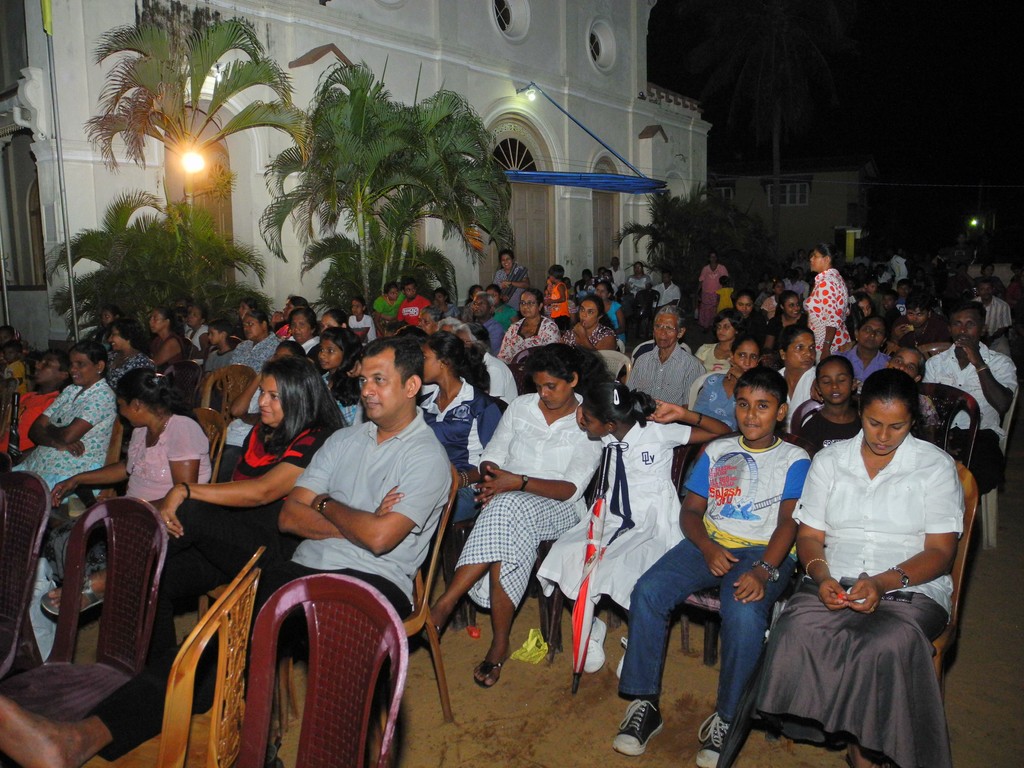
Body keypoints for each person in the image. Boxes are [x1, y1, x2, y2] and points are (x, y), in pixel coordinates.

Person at [755, 368, 964, 768]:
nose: (883, 436)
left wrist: (883, 583)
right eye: (873, 422)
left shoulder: (934, 466)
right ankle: (852, 734)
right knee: (795, 626)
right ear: (860, 411)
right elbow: (810, 536)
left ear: (913, 421)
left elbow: (941, 551)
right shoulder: (831, 461)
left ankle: (864, 750)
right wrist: (822, 577)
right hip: (837, 576)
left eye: (896, 426)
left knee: (883, 644)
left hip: (910, 584)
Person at [612, 367, 810, 764]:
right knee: (648, 590)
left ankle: (728, 716)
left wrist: (764, 570)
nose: (751, 415)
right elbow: (691, 511)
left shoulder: (794, 457)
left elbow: (789, 523)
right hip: (710, 541)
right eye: (743, 404)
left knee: (743, 608)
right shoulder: (719, 449)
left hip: (764, 551)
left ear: (781, 411)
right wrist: (705, 547)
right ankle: (644, 703)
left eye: (763, 406)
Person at [429, 344, 608, 688]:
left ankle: (445, 604)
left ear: (573, 380)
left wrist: (518, 482)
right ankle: (499, 642)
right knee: (508, 521)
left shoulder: (588, 417)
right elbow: (492, 454)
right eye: (538, 386)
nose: (543, 394)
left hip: (561, 508)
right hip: (508, 499)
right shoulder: (522, 407)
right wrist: (494, 476)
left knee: (507, 508)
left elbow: (571, 488)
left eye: (551, 386)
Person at [538, 384, 729, 670]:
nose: (582, 422)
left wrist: (683, 414)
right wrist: (583, 410)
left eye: (587, 418)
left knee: (628, 568)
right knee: (567, 553)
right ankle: (592, 625)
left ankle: (639, 636)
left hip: (651, 521)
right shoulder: (604, 433)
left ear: (610, 424)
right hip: (610, 516)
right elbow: (588, 404)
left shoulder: (658, 432)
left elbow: (722, 432)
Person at [40, 370, 212, 631]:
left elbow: (185, 494)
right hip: (133, 513)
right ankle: (87, 603)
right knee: (64, 536)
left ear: (137, 404)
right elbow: (128, 468)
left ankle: (98, 589)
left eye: (121, 405)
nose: (119, 411)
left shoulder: (182, 429)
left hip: (168, 519)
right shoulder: (142, 430)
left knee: (96, 543)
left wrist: (128, 511)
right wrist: (78, 479)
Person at [923, 302, 1017, 494]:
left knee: (980, 473)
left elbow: (1002, 404)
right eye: (957, 324)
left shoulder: (1000, 363)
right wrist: (938, 441)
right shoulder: (935, 364)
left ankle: (959, 509)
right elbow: (927, 409)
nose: (963, 330)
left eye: (970, 324)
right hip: (942, 432)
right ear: (949, 329)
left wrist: (979, 363)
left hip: (981, 435)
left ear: (982, 329)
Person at [420, 331, 503, 523]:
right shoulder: (424, 404)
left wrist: (460, 479)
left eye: (425, 358)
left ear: (443, 362)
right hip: (427, 481)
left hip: (466, 487)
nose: (419, 364)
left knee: (418, 511)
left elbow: (496, 461)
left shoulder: (480, 405)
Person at [17, 340, 117, 493]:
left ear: (99, 366)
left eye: (80, 364)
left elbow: (68, 436)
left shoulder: (103, 396)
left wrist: (49, 427)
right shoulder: (71, 390)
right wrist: (55, 442)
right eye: (71, 364)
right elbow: (34, 429)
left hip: (71, 471)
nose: (73, 369)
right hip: (42, 464)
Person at [627, 306, 704, 407]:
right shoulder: (642, 360)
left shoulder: (691, 366)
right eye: (658, 326)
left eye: (669, 328)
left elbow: (688, 407)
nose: (662, 333)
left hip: (672, 417)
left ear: (680, 332)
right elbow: (630, 395)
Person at [0, 349, 70, 455]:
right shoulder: (27, 397)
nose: (37, 366)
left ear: (63, 375)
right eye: (39, 362)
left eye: (47, 364)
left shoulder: (55, 403)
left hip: (16, 458)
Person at [691, 335, 761, 430]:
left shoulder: (759, 390)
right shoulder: (713, 381)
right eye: (742, 355)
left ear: (758, 362)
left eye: (753, 357)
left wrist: (743, 379)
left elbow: (746, 424)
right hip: (703, 433)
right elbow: (697, 413)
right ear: (731, 356)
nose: (747, 362)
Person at [794, 355, 861, 450]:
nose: (834, 386)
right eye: (826, 382)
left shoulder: (864, 422)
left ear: (853, 384)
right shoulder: (812, 428)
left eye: (841, 380)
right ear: (818, 388)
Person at [805, 244, 851, 360]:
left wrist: (826, 349)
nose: (811, 259)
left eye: (815, 256)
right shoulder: (835, 278)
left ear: (826, 259)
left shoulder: (826, 282)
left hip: (828, 345)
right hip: (835, 341)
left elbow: (832, 319)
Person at [497, 288, 561, 363]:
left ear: (540, 306)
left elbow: (552, 359)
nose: (525, 306)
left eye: (531, 303)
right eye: (522, 303)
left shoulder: (549, 328)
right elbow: (503, 357)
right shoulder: (514, 328)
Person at [318, 326, 364, 427]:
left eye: (330, 351)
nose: (322, 355)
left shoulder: (356, 383)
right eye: (321, 349)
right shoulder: (320, 381)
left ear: (346, 353)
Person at [778, 326, 817, 430]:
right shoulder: (774, 380)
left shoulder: (819, 380)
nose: (808, 353)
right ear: (783, 354)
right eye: (800, 347)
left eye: (812, 347)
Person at [105, 318, 155, 389]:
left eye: (113, 334)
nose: (109, 339)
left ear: (127, 335)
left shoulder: (141, 362)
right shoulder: (111, 355)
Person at [840, 315, 889, 383]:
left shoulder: (888, 365)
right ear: (856, 334)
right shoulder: (839, 359)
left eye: (878, 332)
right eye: (868, 330)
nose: (872, 335)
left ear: (883, 340)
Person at [695, 309, 744, 374]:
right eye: (719, 326)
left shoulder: (741, 354)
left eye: (726, 327)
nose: (720, 330)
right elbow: (694, 373)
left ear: (737, 330)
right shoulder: (705, 349)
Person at [975, 276, 1012, 355]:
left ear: (993, 290)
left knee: (1005, 354)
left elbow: (1004, 326)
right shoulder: (972, 305)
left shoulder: (1003, 305)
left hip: (997, 339)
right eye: (982, 289)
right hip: (976, 339)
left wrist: (991, 338)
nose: (986, 292)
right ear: (977, 291)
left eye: (988, 289)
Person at [698, 250, 728, 330]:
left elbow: (725, 280)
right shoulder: (705, 268)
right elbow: (701, 281)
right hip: (706, 293)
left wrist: (723, 293)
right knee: (706, 310)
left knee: (715, 310)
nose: (713, 258)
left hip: (717, 293)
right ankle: (705, 326)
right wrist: (698, 292)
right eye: (711, 257)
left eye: (714, 256)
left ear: (717, 258)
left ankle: (714, 326)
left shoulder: (722, 268)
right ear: (709, 258)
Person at [544, 264, 571, 329]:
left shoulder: (560, 286)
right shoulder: (556, 287)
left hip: (562, 314)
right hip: (557, 314)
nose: (549, 277)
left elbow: (563, 298)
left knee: (562, 331)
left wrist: (551, 301)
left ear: (553, 277)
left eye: (550, 276)